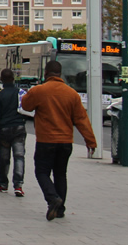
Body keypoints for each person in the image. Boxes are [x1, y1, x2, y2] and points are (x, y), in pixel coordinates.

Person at [19, 60, 97, 221]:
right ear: (60, 74)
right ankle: (60, 209)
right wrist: (90, 141)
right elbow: (81, 119)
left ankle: (52, 198)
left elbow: (25, 106)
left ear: (46, 73)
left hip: (46, 140)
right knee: (61, 174)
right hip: (66, 142)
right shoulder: (72, 94)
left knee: (41, 172)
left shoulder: (39, 91)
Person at [0, 68, 27, 197]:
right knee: (19, 156)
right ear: (13, 79)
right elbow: (27, 109)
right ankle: (18, 185)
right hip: (19, 128)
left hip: (4, 130)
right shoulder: (21, 93)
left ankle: (3, 183)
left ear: (2, 80)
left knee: (4, 158)